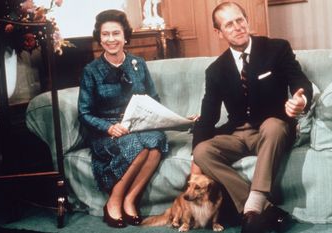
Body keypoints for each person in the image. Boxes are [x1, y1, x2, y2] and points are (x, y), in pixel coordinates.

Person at [191, 2, 313, 233]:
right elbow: (208, 116)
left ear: (247, 21)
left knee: (273, 126)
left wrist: (301, 100)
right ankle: (266, 210)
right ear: (219, 33)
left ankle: (253, 207)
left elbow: (300, 82)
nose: (237, 27)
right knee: (201, 151)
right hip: (237, 134)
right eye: (229, 24)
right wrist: (194, 163)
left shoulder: (276, 48)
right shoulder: (215, 70)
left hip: (273, 129)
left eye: (240, 20)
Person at [78, 9, 168, 228]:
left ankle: (129, 200)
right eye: (105, 34)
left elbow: (153, 99)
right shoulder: (91, 70)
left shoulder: (138, 64)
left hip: (137, 125)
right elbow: (85, 113)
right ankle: (114, 202)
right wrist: (109, 128)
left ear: (125, 36)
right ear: (100, 38)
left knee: (156, 141)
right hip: (106, 131)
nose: (111, 39)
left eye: (115, 33)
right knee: (139, 146)